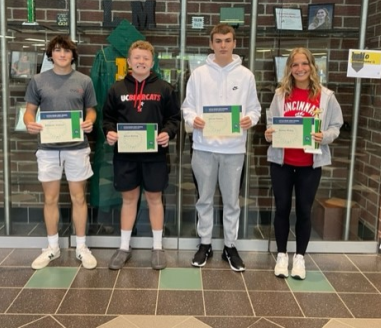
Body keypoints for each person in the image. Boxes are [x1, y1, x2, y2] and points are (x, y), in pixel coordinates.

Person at [181, 23, 261, 272]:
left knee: (231, 202)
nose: (223, 45)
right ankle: (205, 243)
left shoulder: (246, 75)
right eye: (218, 40)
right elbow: (187, 107)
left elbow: (255, 109)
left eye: (227, 40)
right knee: (204, 199)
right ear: (211, 43)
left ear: (234, 43)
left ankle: (230, 246)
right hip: (204, 147)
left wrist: (251, 119)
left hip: (234, 149)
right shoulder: (198, 74)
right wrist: (193, 119)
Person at [265, 47, 343, 280]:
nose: (300, 69)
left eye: (304, 64)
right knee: (281, 208)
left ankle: (299, 258)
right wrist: (269, 133)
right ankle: (281, 255)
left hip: (309, 164)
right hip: (282, 162)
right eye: (295, 64)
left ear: (312, 66)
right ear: (289, 68)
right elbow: (271, 124)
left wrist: (325, 136)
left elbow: (336, 126)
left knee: (304, 211)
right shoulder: (280, 95)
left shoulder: (326, 96)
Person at [103, 40, 180, 270]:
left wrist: (167, 133)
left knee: (155, 199)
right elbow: (107, 119)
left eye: (146, 58)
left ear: (152, 62)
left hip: (154, 155)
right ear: (129, 61)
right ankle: (124, 247)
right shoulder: (116, 89)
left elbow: (174, 119)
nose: (141, 62)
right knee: (129, 199)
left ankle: (157, 247)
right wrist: (109, 132)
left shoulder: (164, 88)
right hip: (125, 155)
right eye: (137, 58)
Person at [23, 35, 98, 270]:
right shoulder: (38, 80)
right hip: (47, 149)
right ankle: (52, 247)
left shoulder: (84, 81)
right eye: (57, 50)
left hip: (76, 148)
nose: (62, 55)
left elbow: (91, 110)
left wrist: (89, 121)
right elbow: (29, 111)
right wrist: (29, 123)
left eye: (66, 51)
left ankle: (81, 247)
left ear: (73, 55)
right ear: (51, 54)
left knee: (78, 198)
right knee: (50, 198)